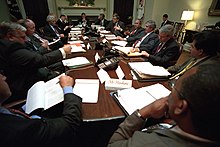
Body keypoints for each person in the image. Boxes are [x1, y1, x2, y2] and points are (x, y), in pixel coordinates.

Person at [108, 62, 220, 146]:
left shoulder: (146, 144)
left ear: (180, 107)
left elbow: (113, 144)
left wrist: (143, 113)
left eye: (174, 88)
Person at [0, 73, 82, 146]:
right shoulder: (14, 129)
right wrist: (68, 88)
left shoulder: (3, 111)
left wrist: (26, 107)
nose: (4, 77)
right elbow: (69, 124)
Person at [0, 22, 71, 104]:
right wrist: (62, 51)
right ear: (10, 36)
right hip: (25, 88)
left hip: (29, 78)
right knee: (68, 81)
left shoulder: (9, 45)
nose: (26, 40)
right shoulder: (10, 48)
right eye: (23, 37)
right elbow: (38, 59)